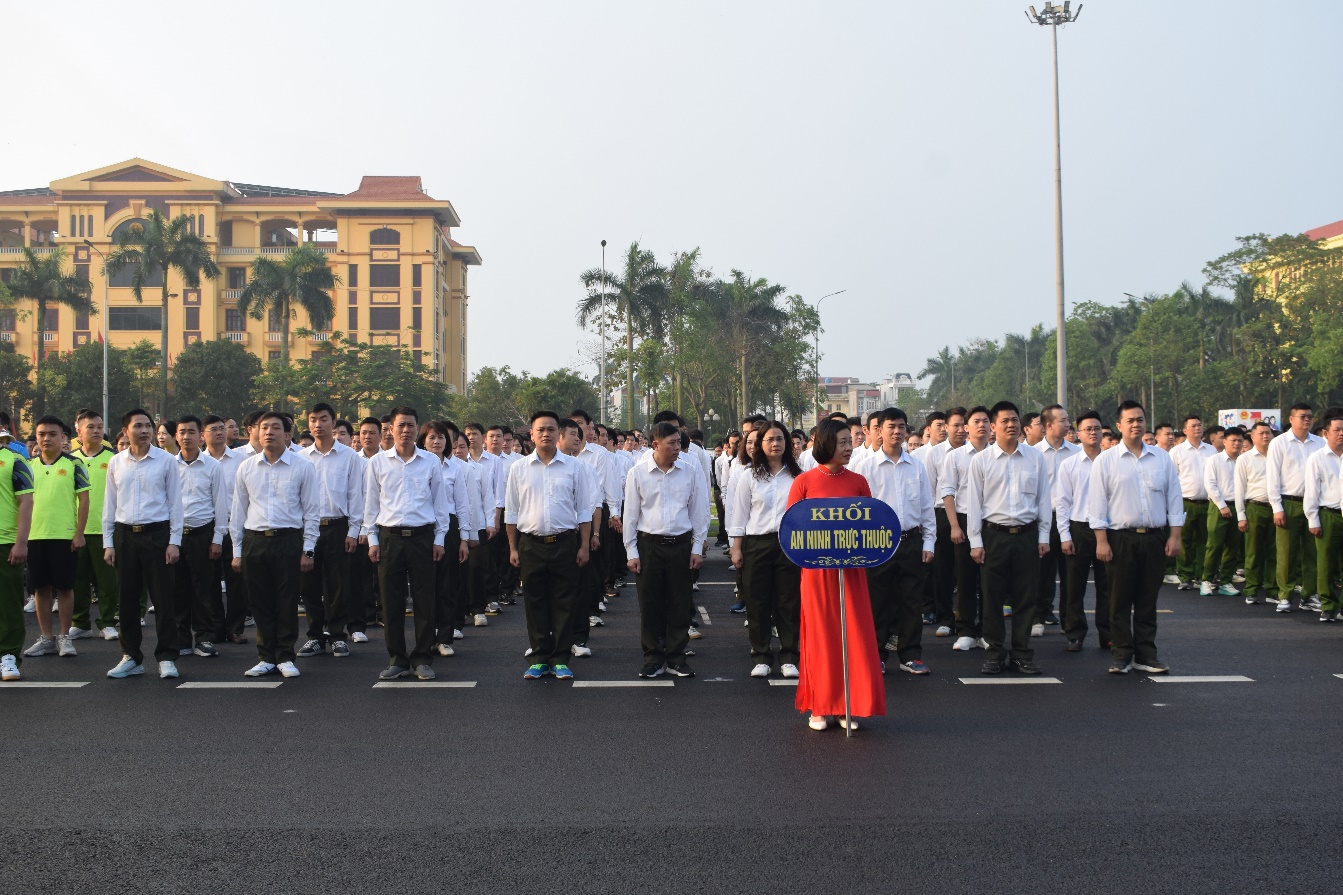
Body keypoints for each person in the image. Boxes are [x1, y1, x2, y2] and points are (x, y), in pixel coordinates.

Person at [786, 418, 884, 732]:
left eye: (850, 441)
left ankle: (847, 705)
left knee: (852, 635)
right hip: (816, 574)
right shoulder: (804, 482)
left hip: (852, 571)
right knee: (821, 637)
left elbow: (870, 526)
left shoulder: (859, 481)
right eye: (842, 442)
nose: (849, 448)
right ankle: (820, 705)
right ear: (826, 444)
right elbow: (792, 530)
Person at [1088, 400, 1183, 674]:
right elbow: (1097, 504)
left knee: (1147, 600)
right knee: (1119, 600)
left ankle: (1146, 655)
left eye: (1140, 419)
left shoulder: (1161, 458)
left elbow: (1174, 498)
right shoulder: (1106, 460)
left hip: (1154, 538)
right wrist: (1101, 541)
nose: (1136, 424)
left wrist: (1174, 536)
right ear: (1119, 425)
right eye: (1130, 420)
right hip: (1120, 539)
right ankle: (1121, 655)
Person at [364, 407, 454, 681]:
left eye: (411, 425)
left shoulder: (430, 462)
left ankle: (422, 659)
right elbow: (371, 504)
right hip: (389, 538)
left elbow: (440, 504)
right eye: (401, 425)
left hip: (422, 538)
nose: (406, 430)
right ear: (390, 429)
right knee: (391, 603)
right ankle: (397, 659)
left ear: (417, 429)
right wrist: (372, 539)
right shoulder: (377, 463)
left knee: (425, 601)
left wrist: (439, 539)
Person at [230, 411, 319, 679]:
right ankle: (266, 656)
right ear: (256, 433)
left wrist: (308, 549)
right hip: (255, 540)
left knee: (286, 600)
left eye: (276, 428)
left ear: (288, 434)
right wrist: (236, 551)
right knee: (260, 602)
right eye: (264, 427)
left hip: (288, 540)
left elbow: (311, 511)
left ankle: (285, 655)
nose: (269, 432)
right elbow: (238, 511)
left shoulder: (302, 467)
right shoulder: (246, 467)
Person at [505, 410, 592, 681]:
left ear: (559, 434)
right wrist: (513, 548)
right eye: (540, 429)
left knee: (565, 602)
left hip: (565, 543)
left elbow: (584, 511)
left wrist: (584, 546)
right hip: (531, 545)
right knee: (535, 602)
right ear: (531, 434)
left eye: (551, 429)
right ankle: (540, 657)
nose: (546, 434)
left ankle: (561, 659)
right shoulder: (519, 468)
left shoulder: (574, 467)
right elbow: (511, 512)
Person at [967, 401, 1051, 675]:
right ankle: (994, 653)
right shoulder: (981, 461)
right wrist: (976, 542)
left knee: (1026, 598)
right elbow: (974, 504)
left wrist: (1044, 536)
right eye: (1004, 421)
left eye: (1015, 419)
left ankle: (1021, 653)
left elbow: (1044, 499)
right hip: (994, 536)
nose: (1011, 425)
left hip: (1027, 535)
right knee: (992, 599)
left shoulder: (1035, 458)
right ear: (993, 426)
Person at [853, 407, 936, 675]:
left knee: (911, 600)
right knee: (878, 601)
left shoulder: (916, 466)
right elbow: (857, 511)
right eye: (891, 426)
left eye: (901, 426)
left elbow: (926, 508)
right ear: (879, 430)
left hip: (911, 541)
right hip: (877, 543)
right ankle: (876, 655)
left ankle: (910, 655)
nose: (897, 431)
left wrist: (929, 542)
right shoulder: (865, 467)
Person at [104, 408, 185, 680]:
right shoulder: (116, 462)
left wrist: (174, 542)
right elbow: (110, 504)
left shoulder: (166, 461)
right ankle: (131, 657)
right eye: (138, 426)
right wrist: (108, 542)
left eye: (148, 425)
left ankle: (167, 657)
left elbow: (175, 504)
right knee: (126, 600)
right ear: (125, 431)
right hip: (125, 535)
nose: (145, 430)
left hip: (157, 535)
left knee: (163, 599)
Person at [623, 421, 708, 679]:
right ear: (655, 444)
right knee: (650, 605)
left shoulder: (690, 471)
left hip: (681, 545)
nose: (678, 448)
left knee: (680, 604)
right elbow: (631, 516)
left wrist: (697, 547)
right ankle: (652, 658)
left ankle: (676, 657)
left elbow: (699, 511)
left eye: (679, 442)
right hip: (649, 546)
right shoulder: (638, 473)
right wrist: (631, 552)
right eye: (671, 443)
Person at [727, 419, 802, 679]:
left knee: (789, 603)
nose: (775, 444)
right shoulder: (749, 476)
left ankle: (789, 657)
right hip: (757, 544)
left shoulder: (798, 476)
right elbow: (739, 516)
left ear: (787, 443)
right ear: (760, 444)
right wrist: (736, 549)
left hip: (790, 545)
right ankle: (760, 656)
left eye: (780, 439)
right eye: (769, 439)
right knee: (757, 602)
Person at [295, 403, 368, 661]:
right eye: (313, 419)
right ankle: (315, 636)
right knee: (309, 585)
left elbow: (356, 495)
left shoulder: (349, 457)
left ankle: (337, 635)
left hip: (338, 527)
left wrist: (353, 530)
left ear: (333, 423)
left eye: (323, 419)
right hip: (308, 528)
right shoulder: (301, 458)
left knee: (338, 585)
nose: (318, 424)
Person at [20, 416, 90, 661]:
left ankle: (64, 636)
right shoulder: (27, 465)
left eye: (52, 434)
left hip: (64, 536)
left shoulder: (74, 464)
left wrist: (79, 533)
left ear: (63, 437)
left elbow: (84, 501)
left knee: (65, 587)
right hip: (35, 535)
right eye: (42, 434)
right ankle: (46, 638)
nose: (46, 438)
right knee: (40, 588)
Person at [414, 420, 473, 658]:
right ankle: (426, 638)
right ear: (423, 441)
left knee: (447, 585)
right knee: (425, 587)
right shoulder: (415, 466)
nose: (437, 442)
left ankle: (445, 638)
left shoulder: (455, 468)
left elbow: (462, 504)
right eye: (431, 437)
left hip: (449, 527)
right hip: (422, 527)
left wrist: (464, 538)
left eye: (441, 438)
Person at [171, 416, 228, 659]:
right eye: (182, 432)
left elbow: (220, 503)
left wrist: (217, 539)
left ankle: (203, 637)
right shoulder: (169, 465)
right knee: (178, 590)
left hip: (203, 534)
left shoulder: (212, 466)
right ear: (176, 436)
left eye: (192, 432)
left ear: (200, 436)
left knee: (203, 590)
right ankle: (182, 638)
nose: (187, 437)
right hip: (175, 536)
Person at [1055, 410, 1109, 651]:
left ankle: (1108, 633)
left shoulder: (1112, 462)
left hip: (1107, 531)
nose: (1093, 432)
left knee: (1108, 585)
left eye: (1097, 428)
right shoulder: (1069, 464)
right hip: (1079, 529)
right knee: (1073, 585)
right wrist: (1065, 536)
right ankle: (1075, 634)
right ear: (1078, 433)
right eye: (1088, 429)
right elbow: (1063, 503)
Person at [941, 406, 991, 651]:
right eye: (976, 421)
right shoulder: (956, 457)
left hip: (991, 522)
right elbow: (947, 492)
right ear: (967, 427)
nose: (981, 425)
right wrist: (954, 526)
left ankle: (988, 630)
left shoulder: (997, 455)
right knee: (965, 578)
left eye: (985, 421)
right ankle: (966, 630)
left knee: (990, 581)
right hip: (963, 519)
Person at [69, 409, 121, 642]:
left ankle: (107, 622)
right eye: (90, 427)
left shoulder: (114, 459)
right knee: (77, 580)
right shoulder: (70, 460)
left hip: (105, 530)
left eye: (100, 427)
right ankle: (80, 622)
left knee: (107, 581)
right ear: (79, 431)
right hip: (76, 531)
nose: (97, 431)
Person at [1267, 403, 1324, 613]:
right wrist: (1277, 507)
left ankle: (1309, 595)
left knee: (1313, 553)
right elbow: (1272, 477)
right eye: (1302, 416)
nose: (1307, 420)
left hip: (1315, 503)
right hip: (1289, 502)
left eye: (1310, 416)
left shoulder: (1320, 443)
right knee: (1286, 553)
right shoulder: (1279, 443)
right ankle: (1285, 595)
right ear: (1291, 419)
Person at [559, 418, 603, 657]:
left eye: (579, 434)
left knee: (578, 589)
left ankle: (578, 638)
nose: (578, 438)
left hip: (576, 535)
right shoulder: (530, 467)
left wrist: (593, 535)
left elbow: (592, 505)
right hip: (550, 538)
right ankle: (549, 641)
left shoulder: (583, 468)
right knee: (551, 592)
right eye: (573, 434)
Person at [1033, 404, 1077, 633]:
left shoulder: (1077, 453)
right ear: (1048, 425)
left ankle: (1070, 623)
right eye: (1063, 420)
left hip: (1071, 520)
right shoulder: (1033, 453)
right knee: (1042, 572)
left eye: (1068, 419)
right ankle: (1038, 616)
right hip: (1045, 520)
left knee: (1070, 574)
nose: (1068, 424)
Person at [202, 415, 247, 644]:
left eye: (222, 428)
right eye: (214, 429)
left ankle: (235, 628)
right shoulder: (199, 461)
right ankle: (215, 628)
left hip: (235, 524)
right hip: (207, 526)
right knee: (210, 580)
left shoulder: (241, 460)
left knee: (236, 579)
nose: (220, 432)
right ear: (203, 435)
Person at [919, 408, 962, 636]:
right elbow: (929, 490)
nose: (960, 429)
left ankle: (966, 619)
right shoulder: (935, 454)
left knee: (967, 571)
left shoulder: (976, 453)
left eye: (964, 425)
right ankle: (945, 617)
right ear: (946, 427)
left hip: (968, 514)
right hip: (942, 515)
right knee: (942, 570)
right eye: (955, 425)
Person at [1169, 414, 1217, 591]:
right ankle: (1185, 576)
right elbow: (1172, 479)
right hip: (1185, 502)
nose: (1198, 428)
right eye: (1194, 426)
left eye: (1199, 425)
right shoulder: (1177, 452)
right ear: (1185, 430)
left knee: (1205, 540)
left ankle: (1201, 576)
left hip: (1208, 502)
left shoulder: (1211, 450)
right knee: (1185, 540)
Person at [1304, 408, 1343, 622]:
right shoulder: (1317, 458)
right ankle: (1328, 606)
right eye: (1337, 430)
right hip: (1328, 515)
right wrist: (1313, 519)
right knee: (1326, 564)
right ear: (1326, 433)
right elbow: (1311, 491)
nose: (1341, 433)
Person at [1235, 421, 1278, 606]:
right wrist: (1241, 516)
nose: (1265, 436)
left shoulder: (1278, 456)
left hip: (1276, 508)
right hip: (1254, 507)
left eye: (1268, 433)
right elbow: (1239, 489)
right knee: (1253, 552)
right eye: (1261, 433)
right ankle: (1252, 589)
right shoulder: (1245, 459)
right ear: (1252, 437)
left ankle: (1272, 590)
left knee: (1275, 552)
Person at [0, 440, 33, 682]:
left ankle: (8, 654)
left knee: (8, 602)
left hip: (5, 541)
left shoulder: (14, 460)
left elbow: (26, 502)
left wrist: (21, 542)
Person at [1202, 426, 1245, 596]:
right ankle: (1207, 580)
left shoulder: (1244, 460)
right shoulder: (1215, 460)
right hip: (1218, 506)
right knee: (1214, 545)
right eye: (1233, 440)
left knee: (1233, 547)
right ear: (1225, 441)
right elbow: (1210, 484)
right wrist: (1221, 505)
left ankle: (1226, 582)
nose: (1236, 444)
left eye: (1240, 440)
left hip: (1239, 507)